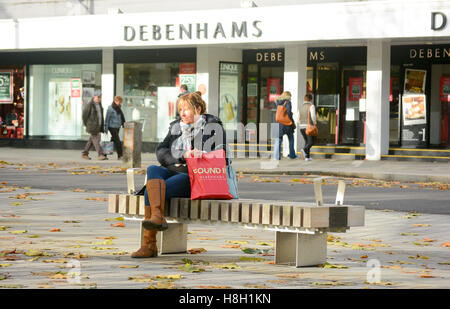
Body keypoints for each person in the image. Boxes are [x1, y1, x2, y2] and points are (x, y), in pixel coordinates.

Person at [131, 92, 228, 258]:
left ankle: (150, 243)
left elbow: (222, 156)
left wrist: (202, 154)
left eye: (186, 109)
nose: (182, 113)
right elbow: (161, 151)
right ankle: (157, 217)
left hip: (196, 176)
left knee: (150, 190)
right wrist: (183, 155)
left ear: (198, 109)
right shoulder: (176, 126)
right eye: (180, 109)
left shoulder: (213, 127)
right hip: (175, 168)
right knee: (153, 169)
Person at [81, 89, 108, 160]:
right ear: (94, 97)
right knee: (96, 140)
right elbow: (84, 116)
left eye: (100, 97)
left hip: (97, 126)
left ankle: (85, 153)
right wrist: (87, 125)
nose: (99, 98)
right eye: (97, 97)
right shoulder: (90, 105)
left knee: (91, 140)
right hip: (92, 126)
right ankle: (100, 154)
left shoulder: (99, 105)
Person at [273, 91, 298, 160]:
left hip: (277, 123)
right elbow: (289, 113)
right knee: (291, 139)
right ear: (288, 96)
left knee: (278, 140)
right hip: (286, 124)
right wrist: (292, 122)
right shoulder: (287, 102)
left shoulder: (277, 102)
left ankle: (276, 156)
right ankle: (292, 155)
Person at [105, 95, 126, 160]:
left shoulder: (119, 108)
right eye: (118, 102)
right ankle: (120, 155)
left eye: (120, 102)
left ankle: (103, 154)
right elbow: (107, 119)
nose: (119, 103)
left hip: (117, 126)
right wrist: (105, 128)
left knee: (113, 140)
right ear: (115, 101)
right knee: (118, 141)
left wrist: (123, 124)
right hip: (112, 127)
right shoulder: (110, 108)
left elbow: (121, 117)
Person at [298, 93, 317, 161]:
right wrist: (315, 122)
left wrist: (300, 123)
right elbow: (313, 116)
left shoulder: (301, 107)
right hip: (308, 126)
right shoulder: (311, 106)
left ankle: (307, 157)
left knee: (306, 141)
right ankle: (304, 150)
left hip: (301, 127)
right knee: (311, 142)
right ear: (311, 99)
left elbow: (298, 117)